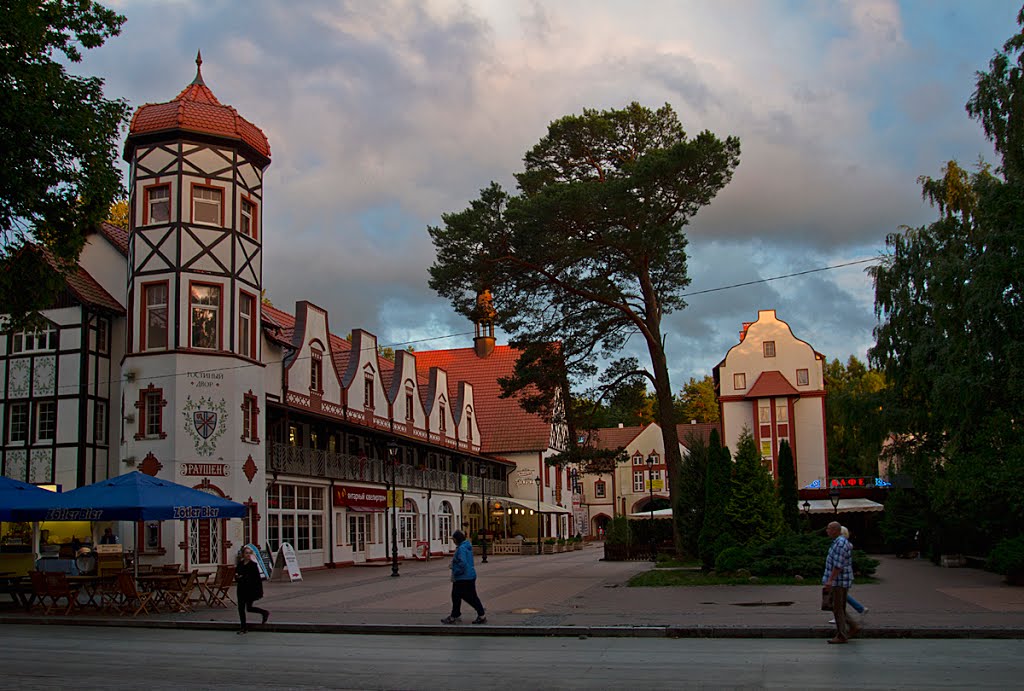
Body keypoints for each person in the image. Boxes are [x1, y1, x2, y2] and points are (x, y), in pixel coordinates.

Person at [822, 520, 860, 644]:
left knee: (837, 608)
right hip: (840, 580)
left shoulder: (840, 544)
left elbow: (838, 565)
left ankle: (842, 635)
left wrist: (830, 580)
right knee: (838, 607)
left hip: (839, 581)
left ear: (835, 531)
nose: (827, 531)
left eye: (829, 528)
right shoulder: (838, 543)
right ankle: (853, 626)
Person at [442, 530, 486, 625]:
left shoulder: (461, 548)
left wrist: (455, 570)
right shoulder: (466, 547)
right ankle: (456, 614)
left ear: (457, 539)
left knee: (464, 596)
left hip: (463, 577)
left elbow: (463, 563)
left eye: (453, 539)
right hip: (469, 575)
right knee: (458, 595)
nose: (453, 541)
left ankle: (480, 613)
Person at [829, 526, 867, 623]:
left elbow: (838, 564)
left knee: (838, 597)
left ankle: (841, 617)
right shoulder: (845, 544)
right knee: (842, 596)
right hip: (844, 575)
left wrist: (831, 578)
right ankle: (859, 609)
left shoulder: (841, 544)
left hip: (841, 576)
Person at [236, 545, 269, 634]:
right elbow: (237, 575)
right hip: (241, 589)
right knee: (241, 608)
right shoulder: (240, 564)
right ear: (243, 554)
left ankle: (264, 613)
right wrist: (238, 577)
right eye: (246, 553)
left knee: (249, 608)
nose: (248, 555)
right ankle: (243, 627)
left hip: (249, 589)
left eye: (249, 553)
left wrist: (258, 591)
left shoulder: (253, 565)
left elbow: (256, 579)